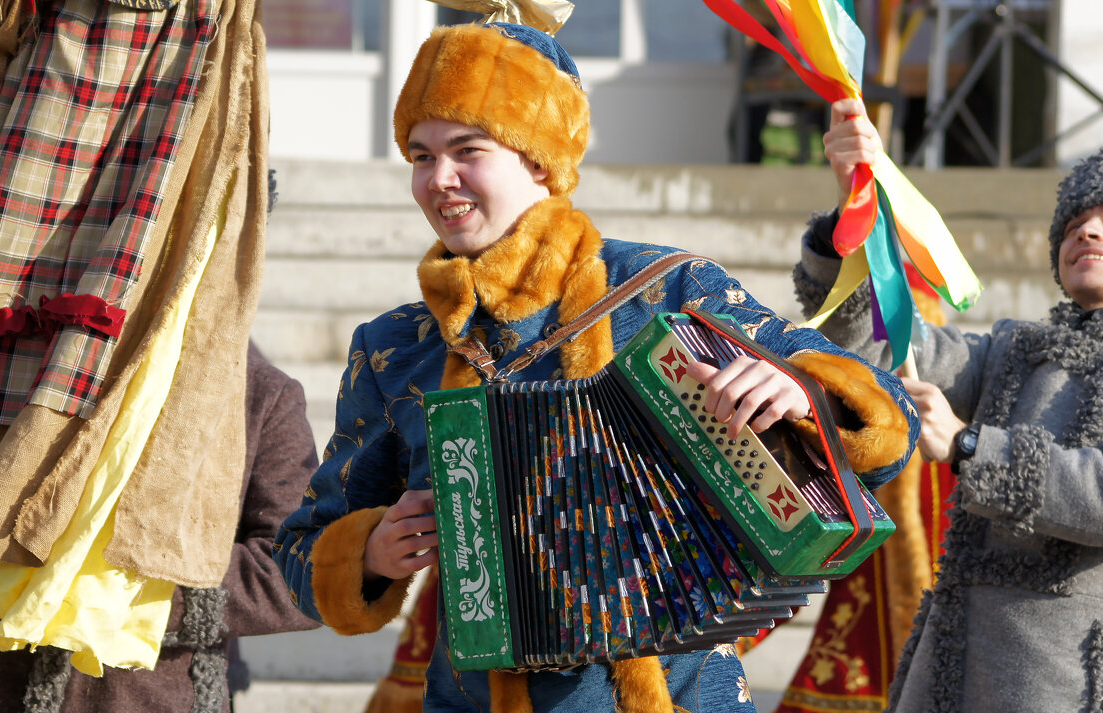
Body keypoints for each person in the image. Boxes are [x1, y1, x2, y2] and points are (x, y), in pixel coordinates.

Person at [275, 22, 918, 713]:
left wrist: (806, 391)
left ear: (539, 161)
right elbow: (300, 549)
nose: (440, 180)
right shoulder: (396, 346)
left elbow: (890, 425)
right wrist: (369, 552)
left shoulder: (669, 289)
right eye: (421, 156)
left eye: (467, 150)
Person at [794, 96, 1103, 713]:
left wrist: (968, 447)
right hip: (947, 669)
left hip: (1062, 682)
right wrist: (852, 215)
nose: (1086, 232)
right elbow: (872, 352)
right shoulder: (1012, 350)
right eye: (1073, 225)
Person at [0, 343, 320, 713]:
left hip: (151, 694)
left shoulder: (261, 394)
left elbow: (299, 574)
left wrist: (128, 589)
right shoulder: (47, 351)